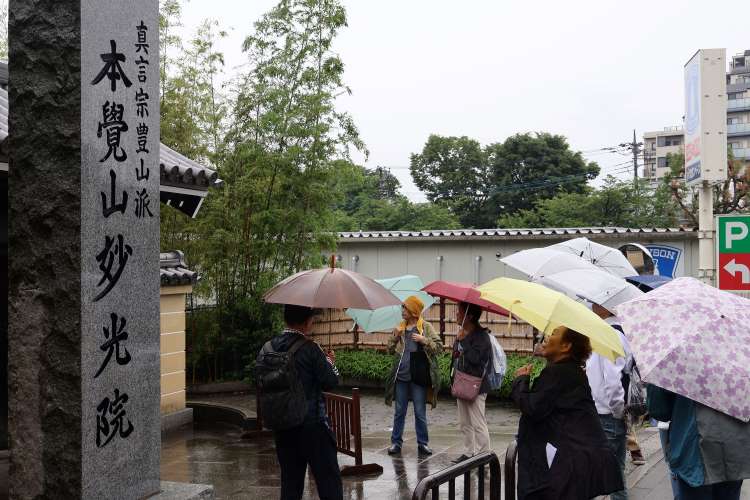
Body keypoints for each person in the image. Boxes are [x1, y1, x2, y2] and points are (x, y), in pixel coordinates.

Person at [512, 326, 623, 500]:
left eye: (554, 334)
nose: (547, 337)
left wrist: (520, 381)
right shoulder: (571, 371)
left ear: (566, 346)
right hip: (577, 461)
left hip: (566, 466)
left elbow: (532, 407)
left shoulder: (557, 372)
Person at [259, 304, 342, 500]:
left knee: (290, 484)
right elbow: (330, 382)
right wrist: (330, 363)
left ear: (285, 319)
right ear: (307, 322)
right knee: (329, 482)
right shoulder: (310, 348)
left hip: (283, 425)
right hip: (313, 426)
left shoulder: (267, 348)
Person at [648, 386, 748, 500]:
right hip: (734, 447)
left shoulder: (672, 373)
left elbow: (659, 411)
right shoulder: (742, 374)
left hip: (693, 451)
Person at [385, 295, 443, 456]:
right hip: (401, 376)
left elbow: (439, 347)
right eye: (402, 307)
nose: (402, 311)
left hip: (419, 376)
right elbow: (389, 350)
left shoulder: (425, 327)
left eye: (405, 308)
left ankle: (423, 443)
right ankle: (396, 443)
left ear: (413, 311)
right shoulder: (400, 327)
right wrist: (396, 336)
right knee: (399, 411)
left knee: (419, 411)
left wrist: (424, 340)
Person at [587, 302, 633, 500]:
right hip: (608, 414)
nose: (591, 307)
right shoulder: (614, 333)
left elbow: (613, 381)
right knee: (615, 474)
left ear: (605, 307)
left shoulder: (609, 335)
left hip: (607, 414)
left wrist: (617, 411)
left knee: (607, 475)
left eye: (595, 303)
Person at [451, 302, 493, 463]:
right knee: (464, 422)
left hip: (476, 386)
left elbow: (477, 360)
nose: (456, 314)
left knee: (478, 423)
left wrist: (464, 341)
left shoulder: (482, 337)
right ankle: (469, 453)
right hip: (462, 383)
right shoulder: (462, 333)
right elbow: (456, 357)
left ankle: (484, 455)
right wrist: (458, 342)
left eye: (459, 312)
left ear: (469, 316)